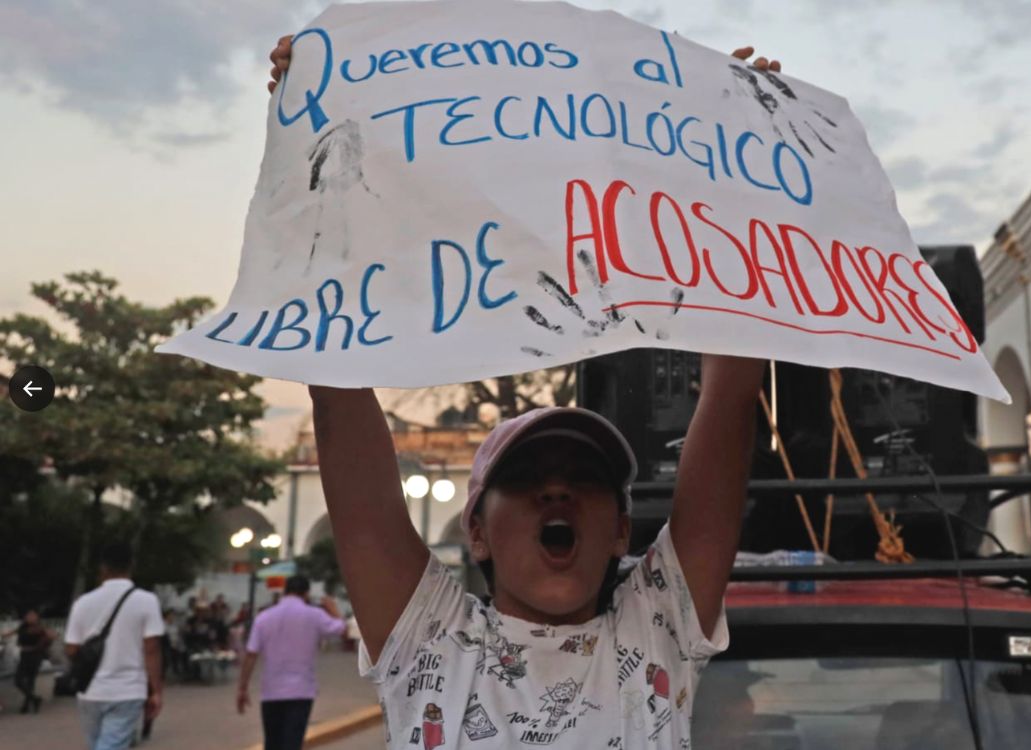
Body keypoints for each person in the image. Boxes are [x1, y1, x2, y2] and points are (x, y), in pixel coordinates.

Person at [269, 33, 776, 749]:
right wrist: (313, 149)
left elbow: (732, 392)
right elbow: (338, 390)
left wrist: (741, 169)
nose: (557, 493)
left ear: (621, 533)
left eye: (585, 481)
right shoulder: (428, 642)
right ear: (476, 530)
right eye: (528, 478)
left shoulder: (654, 634)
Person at [65, 540, 164, 750]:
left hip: (89, 691)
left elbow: (71, 649)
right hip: (128, 690)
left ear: (102, 567)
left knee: (100, 745)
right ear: (131, 565)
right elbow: (152, 650)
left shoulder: (83, 603)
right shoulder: (147, 601)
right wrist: (156, 690)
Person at [236, 575, 347, 750]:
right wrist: (333, 609)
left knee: (272, 743)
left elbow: (251, 655)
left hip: (271, 691)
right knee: (292, 743)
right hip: (301, 690)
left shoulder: (264, 617)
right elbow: (341, 629)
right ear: (306, 593)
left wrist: (243, 687)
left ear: (284, 591)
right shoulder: (314, 615)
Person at [2, 609, 55, 713]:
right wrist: (4, 635)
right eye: (28, 615)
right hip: (24, 655)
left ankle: (26, 706)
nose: (30, 617)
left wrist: (47, 634)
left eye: (33, 615)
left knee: (30, 681)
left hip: (35, 656)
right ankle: (34, 699)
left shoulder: (40, 628)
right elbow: (10, 633)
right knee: (18, 680)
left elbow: (52, 635)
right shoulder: (23, 627)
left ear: (37, 617)